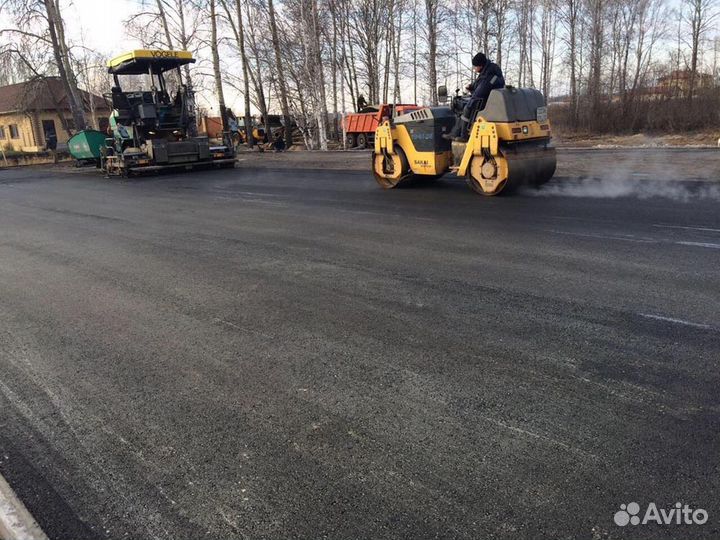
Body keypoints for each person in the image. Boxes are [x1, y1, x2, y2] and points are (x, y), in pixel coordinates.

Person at [444, 52, 505, 141]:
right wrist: (472, 86)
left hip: (485, 101)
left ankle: (463, 135)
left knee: (466, 107)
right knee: (466, 103)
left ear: (480, 65)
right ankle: (455, 133)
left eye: (475, 66)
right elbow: (480, 83)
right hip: (489, 99)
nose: (474, 69)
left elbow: (480, 92)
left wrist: (471, 97)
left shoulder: (489, 75)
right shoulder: (489, 70)